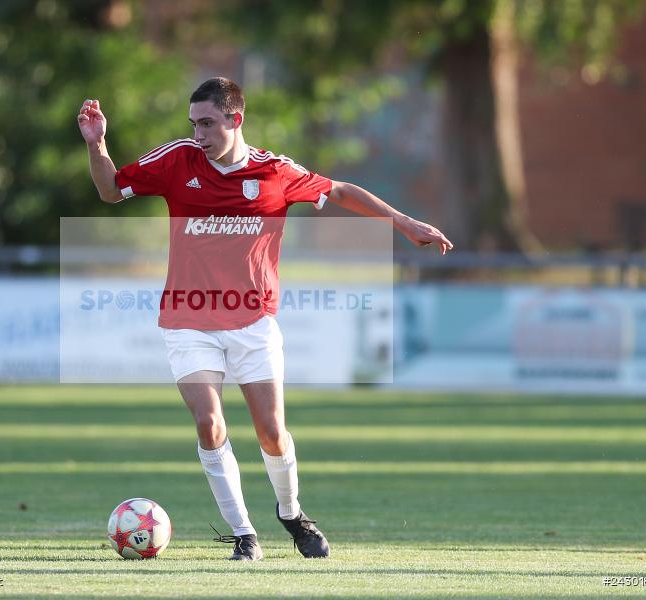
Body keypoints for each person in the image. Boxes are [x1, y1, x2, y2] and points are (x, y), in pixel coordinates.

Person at [78, 77, 452, 561]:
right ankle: (243, 534)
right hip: (187, 320)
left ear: (236, 119)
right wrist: (98, 145)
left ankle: (292, 514)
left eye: (208, 123)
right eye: (193, 124)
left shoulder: (274, 172)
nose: (199, 134)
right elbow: (110, 191)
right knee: (209, 424)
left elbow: (339, 191)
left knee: (271, 433)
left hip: (253, 323)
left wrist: (404, 223)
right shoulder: (177, 161)